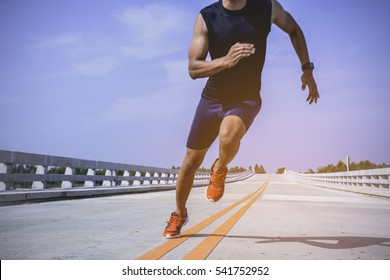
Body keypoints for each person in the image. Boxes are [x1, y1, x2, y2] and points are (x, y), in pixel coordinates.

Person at [163, 0, 319, 238]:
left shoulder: (267, 8)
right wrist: (225, 61)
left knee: (228, 134)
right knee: (189, 164)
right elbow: (193, 68)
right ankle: (179, 213)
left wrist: (307, 69)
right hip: (212, 99)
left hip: (246, 97)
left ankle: (219, 168)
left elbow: (294, 29)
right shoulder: (207, 17)